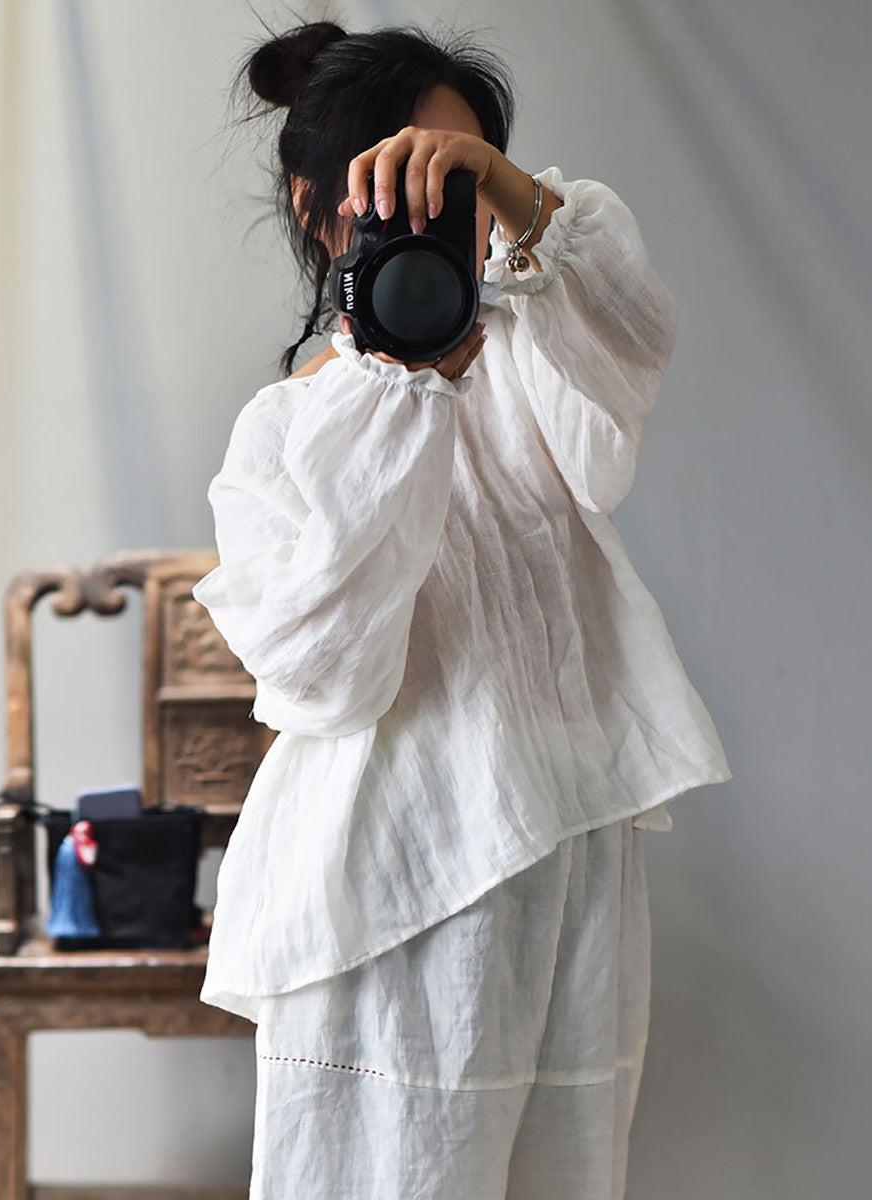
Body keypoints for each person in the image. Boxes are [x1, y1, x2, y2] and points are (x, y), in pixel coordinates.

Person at [192, 18, 733, 1200]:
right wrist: (402, 390)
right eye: (397, 183)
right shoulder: (289, 432)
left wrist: (517, 196)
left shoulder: (542, 351)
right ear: (319, 211)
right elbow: (323, 671)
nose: (433, 209)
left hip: (574, 847)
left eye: (457, 181)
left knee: (566, 1172)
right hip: (398, 871)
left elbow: (635, 334)